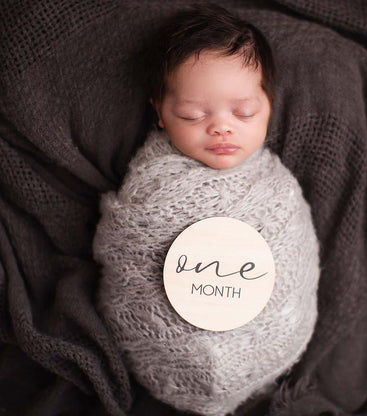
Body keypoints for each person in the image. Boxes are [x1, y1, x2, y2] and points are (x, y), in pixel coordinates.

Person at [93, 4, 320, 416]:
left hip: (262, 350)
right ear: (160, 112)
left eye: (244, 112)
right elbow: (126, 251)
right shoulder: (151, 186)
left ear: (269, 105)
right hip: (161, 354)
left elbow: (295, 259)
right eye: (192, 114)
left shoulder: (278, 191)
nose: (221, 126)